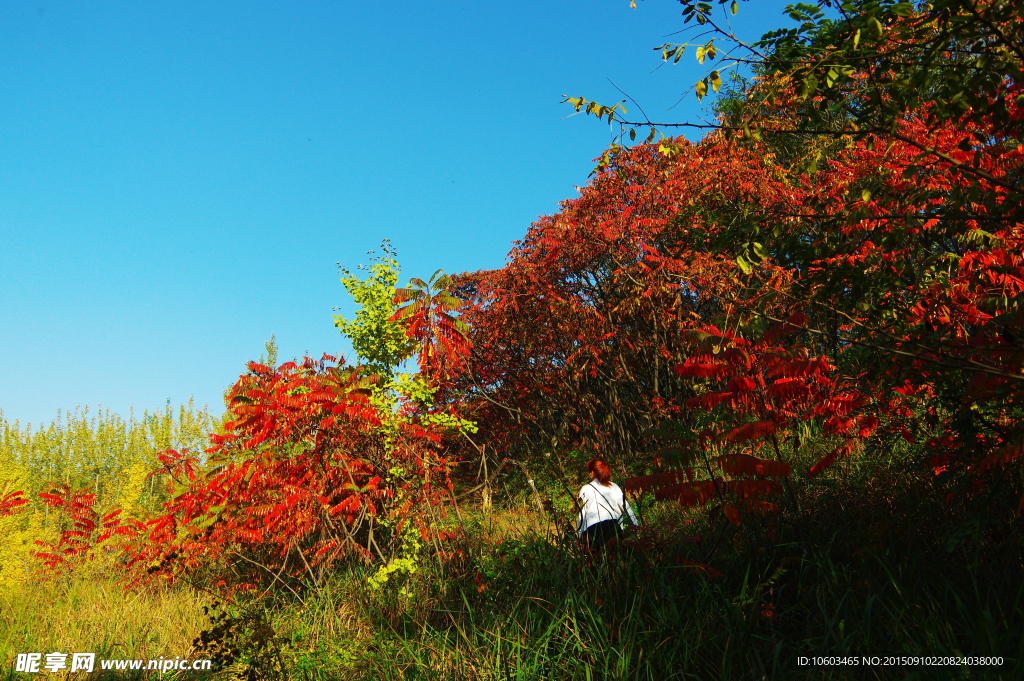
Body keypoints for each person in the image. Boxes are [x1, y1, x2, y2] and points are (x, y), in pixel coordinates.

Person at [576, 459, 639, 549]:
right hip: (613, 526)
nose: (588, 474)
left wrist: (580, 534)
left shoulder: (586, 488)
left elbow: (581, 514)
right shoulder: (613, 486)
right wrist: (636, 526)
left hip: (593, 529)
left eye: (589, 471)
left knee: (597, 558)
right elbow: (626, 507)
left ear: (593, 472)